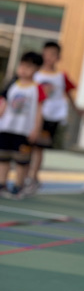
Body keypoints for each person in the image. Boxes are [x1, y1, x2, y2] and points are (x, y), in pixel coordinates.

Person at [28, 41, 78, 192]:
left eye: (52, 54)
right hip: (32, 114)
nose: (48, 57)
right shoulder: (34, 74)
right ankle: (23, 175)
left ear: (58, 57)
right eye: (46, 54)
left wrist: (76, 110)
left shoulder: (61, 76)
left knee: (39, 147)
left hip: (50, 117)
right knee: (26, 145)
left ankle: (33, 177)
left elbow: (69, 93)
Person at [0, 52, 45, 199]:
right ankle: (2, 183)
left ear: (37, 69)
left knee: (21, 160)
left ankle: (17, 186)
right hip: (7, 127)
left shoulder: (37, 88)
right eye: (22, 65)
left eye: (29, 66)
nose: (24, 69)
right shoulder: (12, 85)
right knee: (3, 157)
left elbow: (39, 111)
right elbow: (3, 104)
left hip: (24, 130)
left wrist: (36, 129)